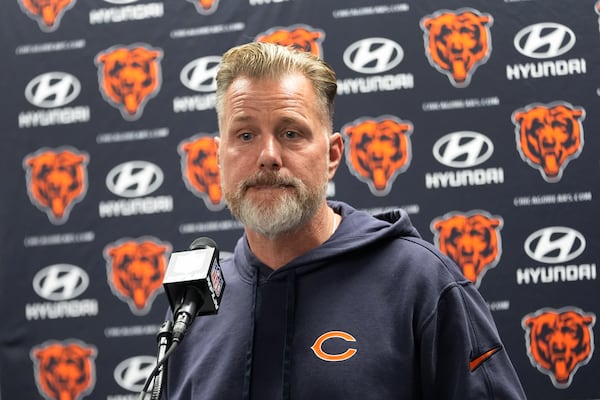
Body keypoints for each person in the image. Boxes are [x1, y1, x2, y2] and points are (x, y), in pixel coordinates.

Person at [162, 41, 527, 399]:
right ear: (218, 158)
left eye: (291, 133)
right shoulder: (193, 308)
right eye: (245, 135)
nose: (268, 156)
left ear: (333, 155)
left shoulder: (421, 283)